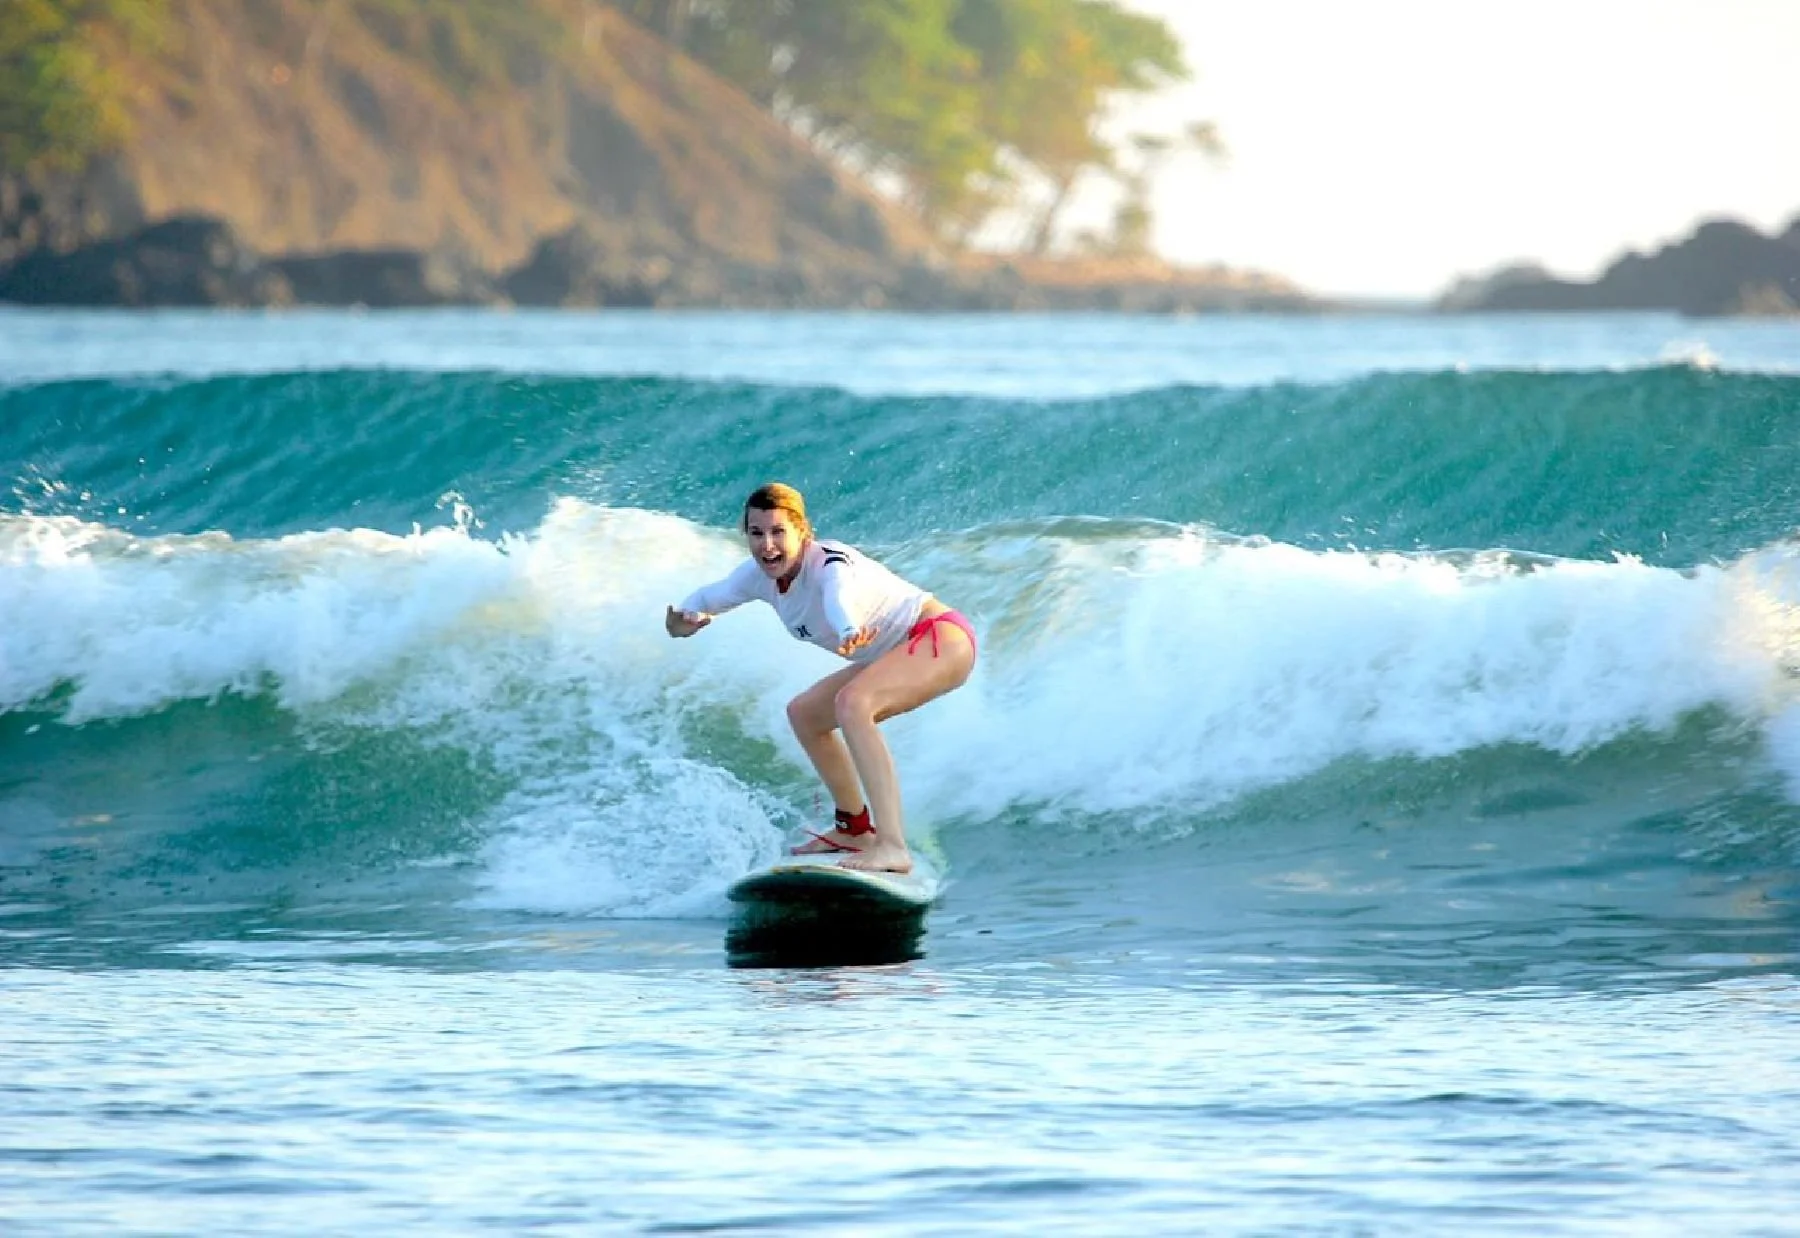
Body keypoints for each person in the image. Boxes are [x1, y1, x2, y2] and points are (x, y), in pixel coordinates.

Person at [665, 483, 976, 874]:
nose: (767, 545)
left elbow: (838, 598)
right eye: (756, 533)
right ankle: (854, 828)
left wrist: (848, 629)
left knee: (853, 703)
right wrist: (683, 621)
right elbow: (707, 598)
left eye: (779, 532)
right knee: (805, 714)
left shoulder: (830, 561)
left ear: (803, 532)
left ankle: (892, 847)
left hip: (940, 638)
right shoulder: (757, 577)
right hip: (899, 651)